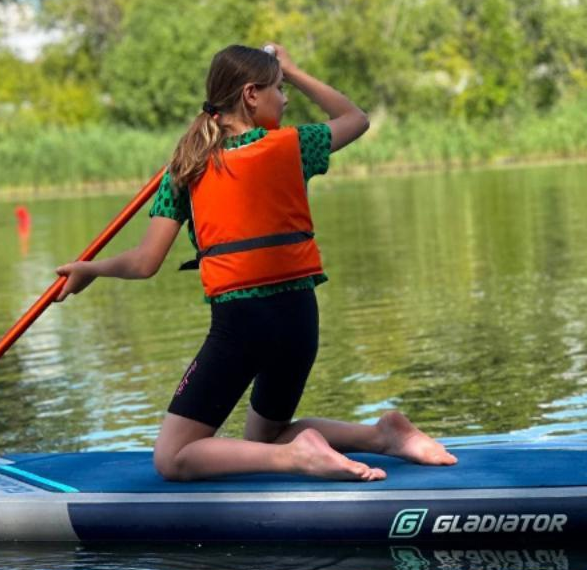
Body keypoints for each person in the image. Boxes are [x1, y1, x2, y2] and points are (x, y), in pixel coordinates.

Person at [55, 44, 457, 482]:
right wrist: (295, 68)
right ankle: (383, 435)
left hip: (243, 326)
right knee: (266, 437)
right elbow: (355, 118)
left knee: (173, 458)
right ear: (251, 94)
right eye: (279, 88)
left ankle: (298, 456)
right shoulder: (296, 145)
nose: (285, 99)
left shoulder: (186, 169)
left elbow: (144, 262)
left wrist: (91, 269)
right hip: (300, 320)